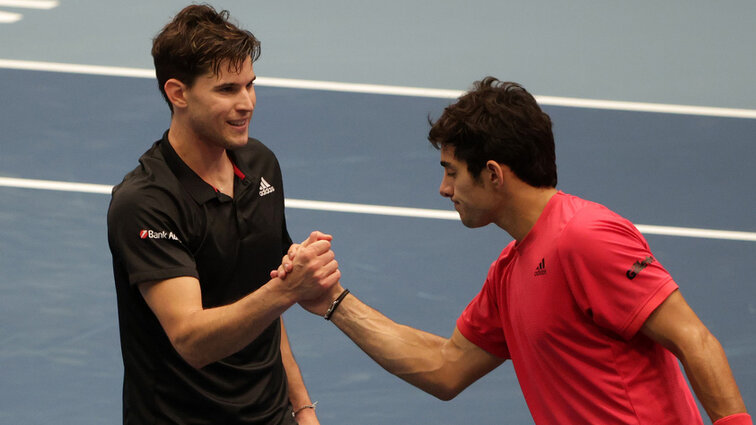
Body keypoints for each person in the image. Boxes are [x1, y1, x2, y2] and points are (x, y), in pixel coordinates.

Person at [277, 78, 751, 424]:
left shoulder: (587, 236)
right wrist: (333, 302)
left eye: (451, 172)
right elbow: (446, 367)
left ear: (493, 174)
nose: (444, 189)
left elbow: (695, 339)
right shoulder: (510, 271)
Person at [107, 5, 339, 424]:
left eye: (250, 85)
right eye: (227, 90)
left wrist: (302, 408)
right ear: (178, 93)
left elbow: (262, 298)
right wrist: (287, 291)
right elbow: (192, 340)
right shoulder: (146, 203)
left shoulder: (260, 164)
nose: (247, 103)